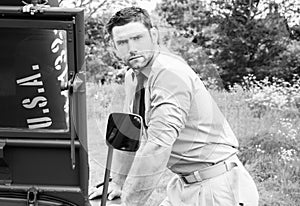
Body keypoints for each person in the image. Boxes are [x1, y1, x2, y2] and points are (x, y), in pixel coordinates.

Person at [89, 6, 259, 206]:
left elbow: (158, 147)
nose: (131, 48)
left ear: (154, 35)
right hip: (184, 185)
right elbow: (129, 134)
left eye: (137, 38)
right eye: (122, 42)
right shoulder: (132, 77)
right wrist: (117, 182)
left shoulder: (169, 74)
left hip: (216, 188)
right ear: (115, 48)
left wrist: (130, 203)